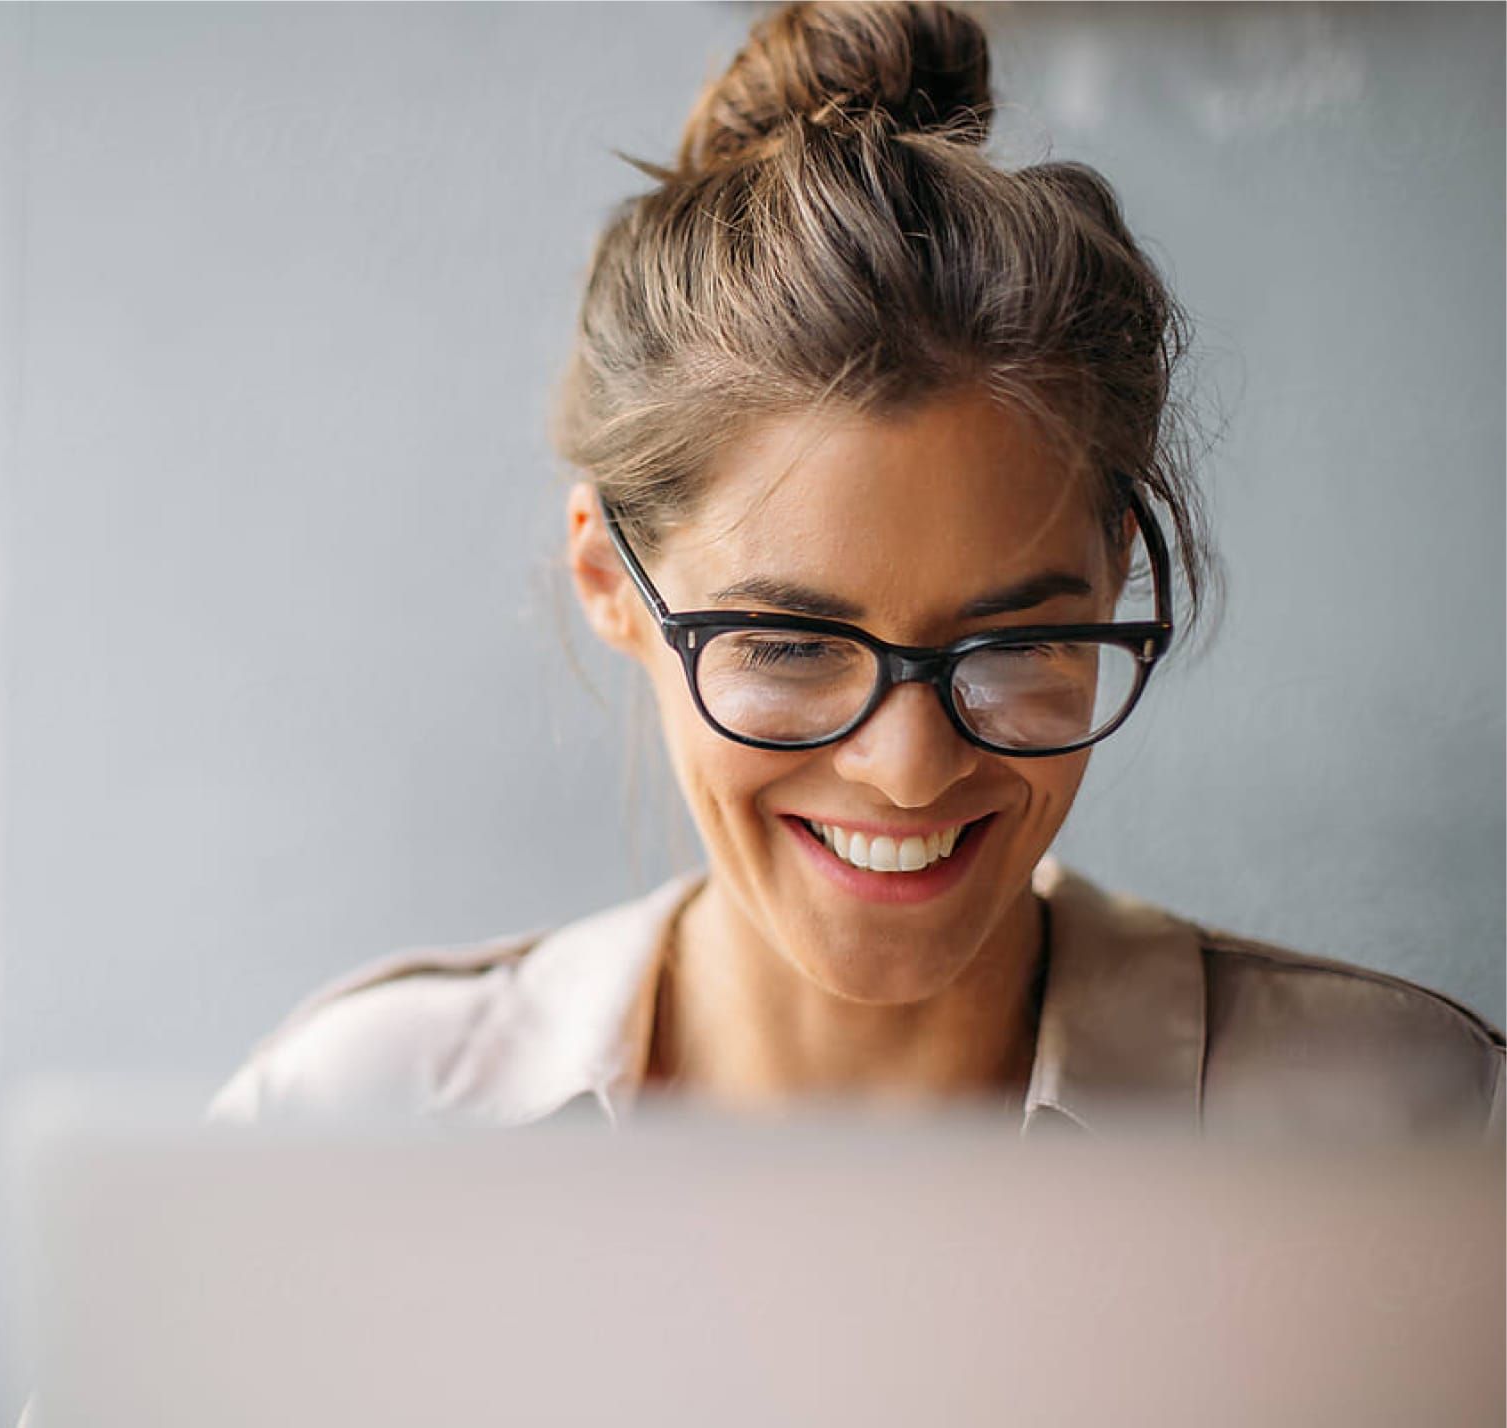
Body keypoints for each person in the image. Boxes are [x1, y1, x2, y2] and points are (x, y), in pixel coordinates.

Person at [207, 0, 1504, 1140]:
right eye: (786, 643)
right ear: (609, 579)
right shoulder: (349, 1126)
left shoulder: (1412, 1131)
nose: (907, 767)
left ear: (1110, 578)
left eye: (1007, 646)